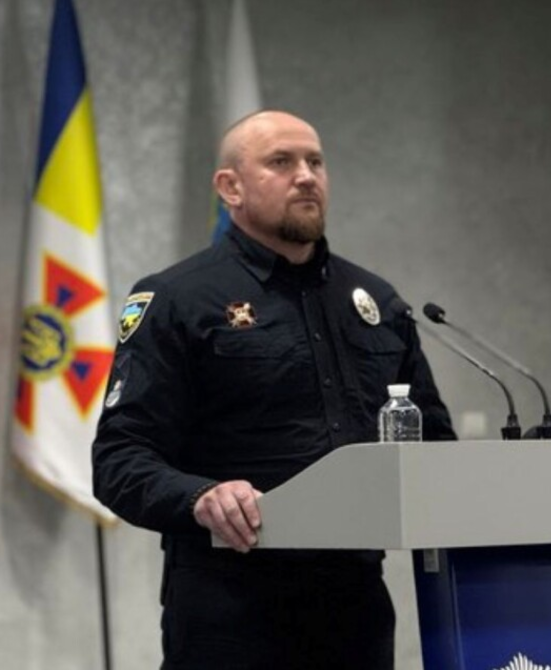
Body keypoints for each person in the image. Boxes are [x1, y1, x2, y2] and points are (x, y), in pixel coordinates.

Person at [92, 110, 456, 669]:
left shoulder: (377, 302)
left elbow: (434, 444)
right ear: (230, 188)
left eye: (315, 162)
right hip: (229, 607)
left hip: (354, 605)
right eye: (281, 162)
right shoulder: (178, 299)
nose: (306, 176)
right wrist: (199, 496)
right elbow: (119, 458)